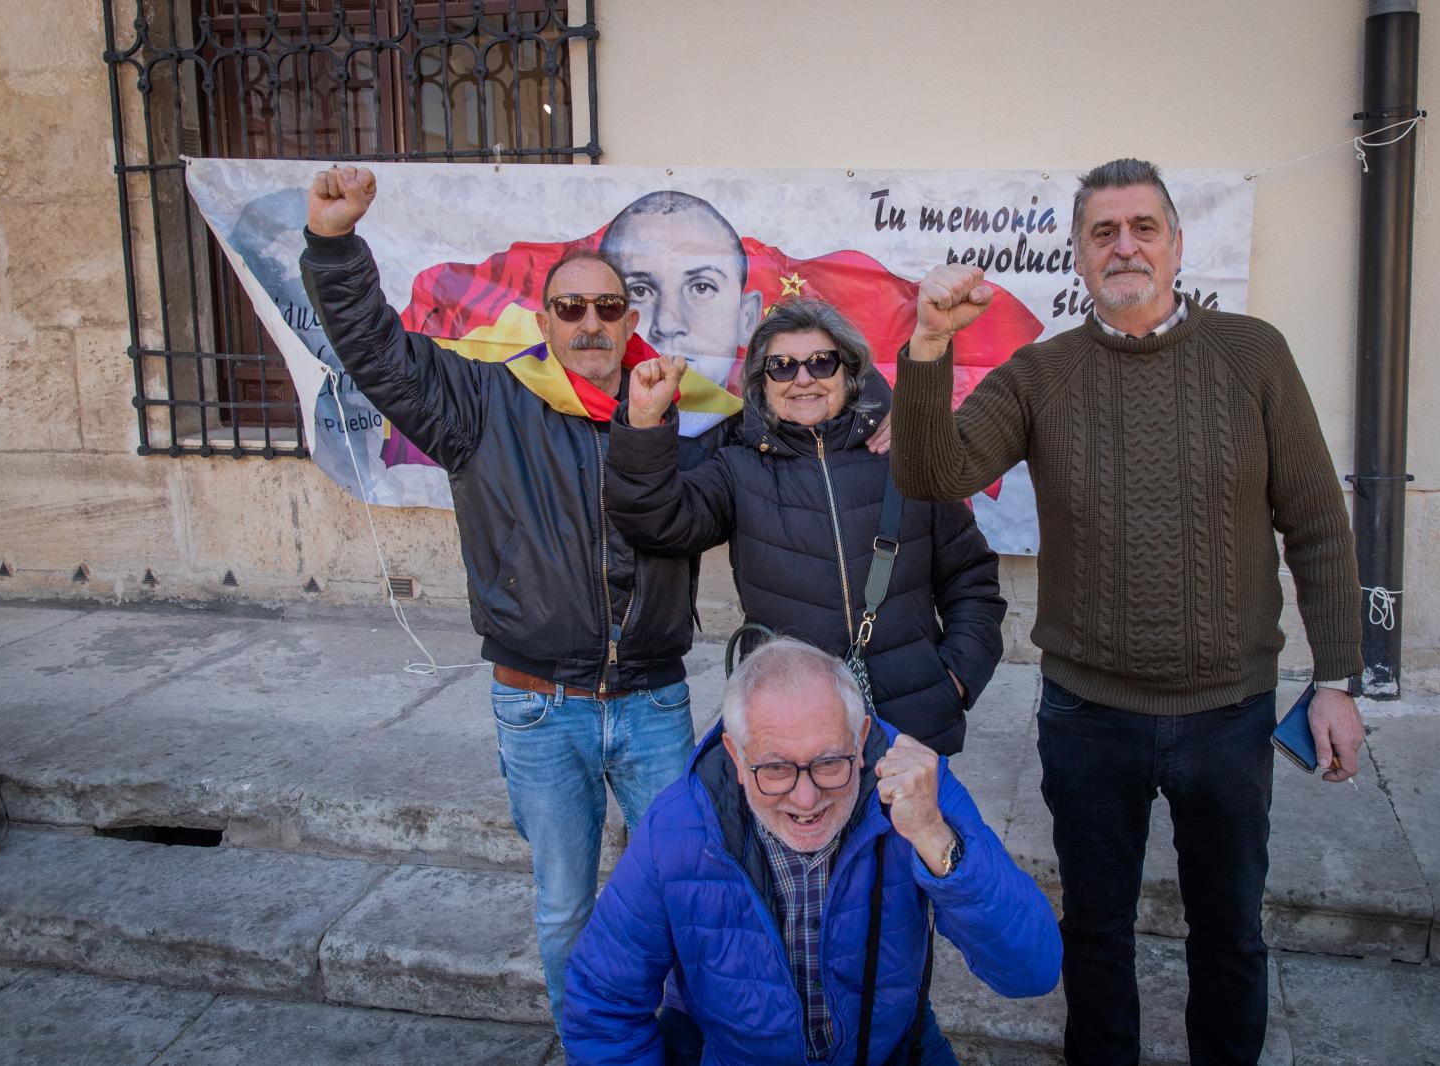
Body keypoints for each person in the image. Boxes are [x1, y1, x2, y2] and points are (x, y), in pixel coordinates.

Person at [888, 158, 1367, 1066]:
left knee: (1230, 935)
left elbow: (1315, 522)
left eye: (1144, 226)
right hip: (1088, 716)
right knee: (1098, 935)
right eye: (1104, 232)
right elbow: (932, 473)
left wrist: (1336, 679)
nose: (1125, 246)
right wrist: (927, 346)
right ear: (1077, 254)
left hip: (1227, 714)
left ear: (1178, 245)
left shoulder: (1254, 354)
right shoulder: (1042, 373)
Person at [298, 166, 734, 1032]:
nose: (590, 324)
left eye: (608, 308)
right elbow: (377, 348)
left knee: (691, 899)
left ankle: (687, 1046)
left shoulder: (684, 412)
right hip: (540, 709)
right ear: (544, 322)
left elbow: (780, 451)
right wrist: (335, 246)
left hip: (652, 702)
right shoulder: (483, 403)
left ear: (630, 319)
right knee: (566, 907)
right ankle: (597, 1050)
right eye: (570, 308)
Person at [561, 638, 1061, 1064]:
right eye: (775, 768)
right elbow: (602, 1005)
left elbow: (1031, 970)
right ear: (736, 756)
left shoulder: (920, 794)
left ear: (862, 740)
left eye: (829, 763)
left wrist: (934, 836)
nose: (805, 799)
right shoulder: (677, 828)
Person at [605, 298, 1006, 756]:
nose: (802, 379)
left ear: (848, 372)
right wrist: (643, 425)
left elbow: (972, 581)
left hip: (911, 730)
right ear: (762, 382)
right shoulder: (737, 468)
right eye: (781, 367)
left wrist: (953, 680)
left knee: (915, 830)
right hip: (793, 735)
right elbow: (658, 523)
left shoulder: (906, 458)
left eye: (821, 362)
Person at [601, 191, 763, 390]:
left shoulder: (777, 419)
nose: (668, 324)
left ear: (746, 318)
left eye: (701, 288)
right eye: (639, 291)